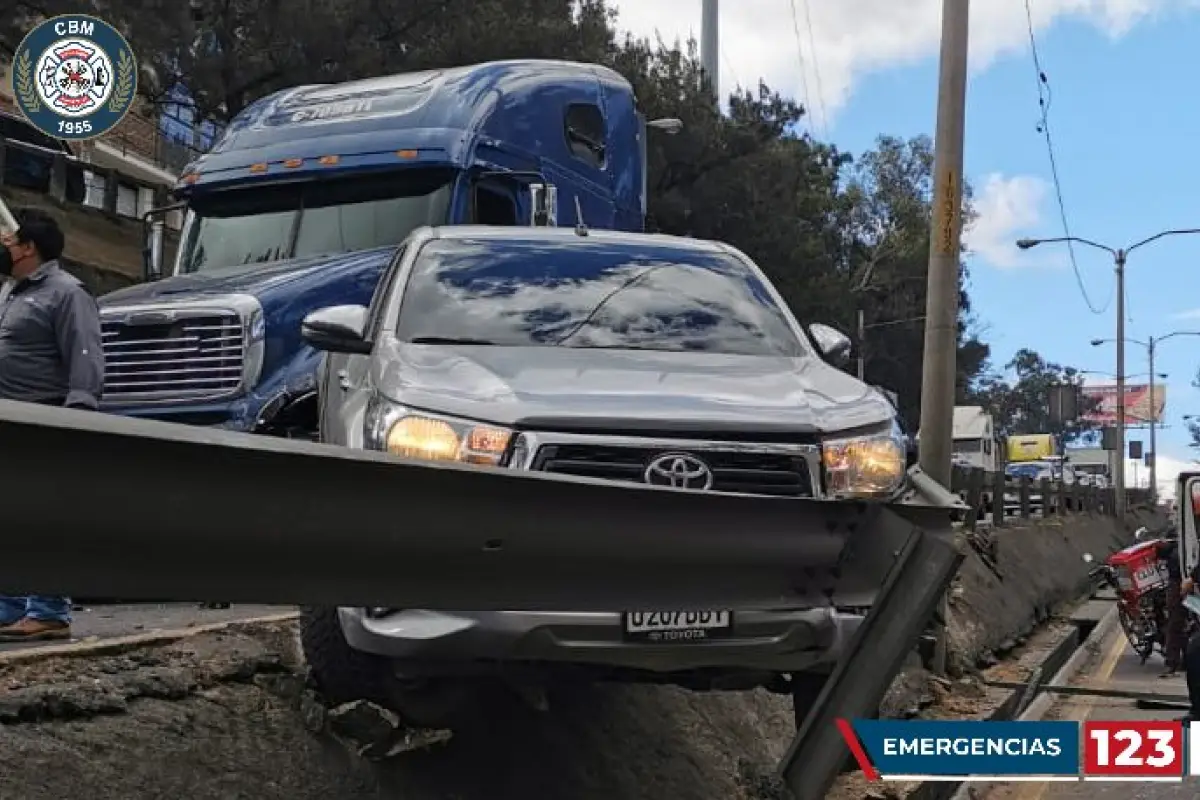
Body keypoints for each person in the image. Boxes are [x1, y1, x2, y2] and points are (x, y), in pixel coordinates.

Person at [0, 208, 104, 642]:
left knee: (41, 516)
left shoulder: (66, 293)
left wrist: (76, 414)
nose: (4, 246)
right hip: (8, 417)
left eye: (9, 241)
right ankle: (9, 607)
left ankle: (48, 610)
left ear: (29, 247)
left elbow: (85, 353)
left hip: (42, 416)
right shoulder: (10, 292)